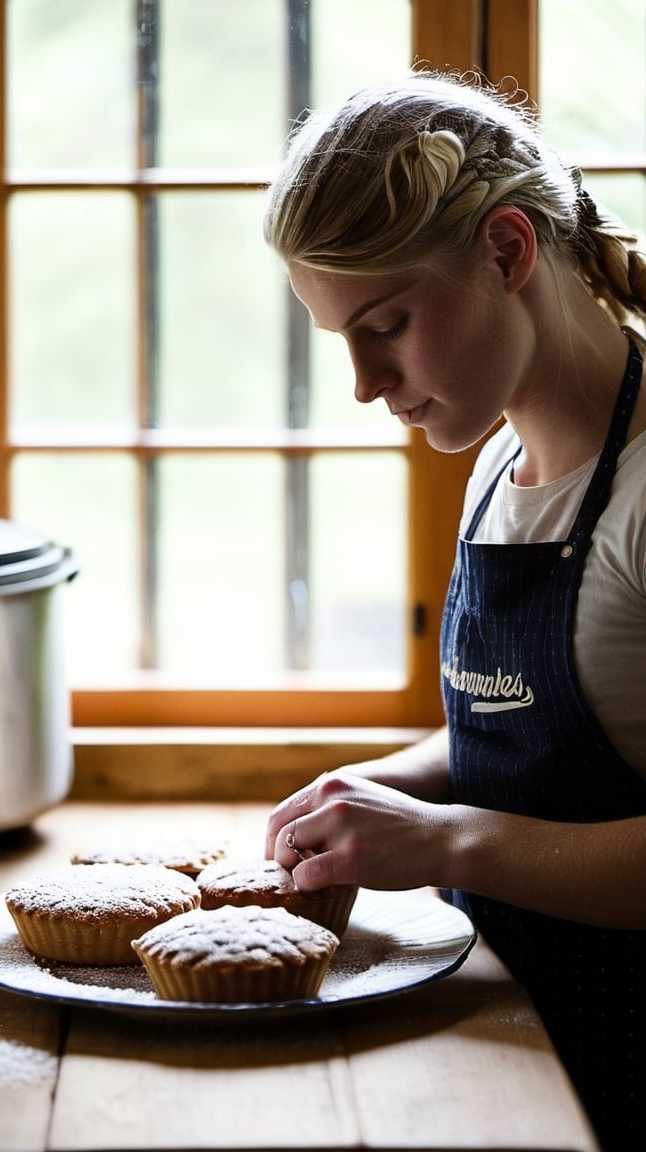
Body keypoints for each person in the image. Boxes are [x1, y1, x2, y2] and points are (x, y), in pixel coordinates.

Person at [262, 69, 646, 1152]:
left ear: (509, 252)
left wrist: (448, 840)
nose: (363, 384)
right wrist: (394, 783)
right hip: (519, 1041)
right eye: (339, 336)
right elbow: (542, 719)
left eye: (385, 323)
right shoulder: (497, 462)